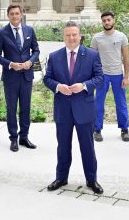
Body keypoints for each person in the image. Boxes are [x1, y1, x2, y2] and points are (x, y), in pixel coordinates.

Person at [43, 21, 104, 194]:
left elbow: (100, 78)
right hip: (63, 110)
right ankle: (61, 178)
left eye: (74, 35)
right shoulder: (55, 56)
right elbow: (47, 79)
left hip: (84, 110)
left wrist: (84, 85)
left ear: (79, 36)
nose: (71, 38)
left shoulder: (91, 55)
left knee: (87, 147)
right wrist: (58, 87)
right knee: (62, 147)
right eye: (68, 35)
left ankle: (92, 180)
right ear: (63, 37)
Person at [0, 4, 40, 152]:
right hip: (11, 77)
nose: (14, 16)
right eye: (12, 14)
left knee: (25, 108)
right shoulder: (2, 32)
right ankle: (13, 138)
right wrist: (10, 64)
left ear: (21, 15)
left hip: (26, 76)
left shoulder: (29, 30)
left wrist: (30, 61)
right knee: (11, 109)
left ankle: (24, 137)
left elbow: (36, 50)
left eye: (17, 13)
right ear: (8, 16)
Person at [90, 11, 129, 142]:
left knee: (121, 103)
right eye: (104, 20)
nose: (106, 22)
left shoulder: (121, 37)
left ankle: (124, 129)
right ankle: (97, 129)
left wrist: (126, 76)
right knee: (98, 103)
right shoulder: (97, 38)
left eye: (108, 20)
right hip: (102, 75)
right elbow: (92, 58)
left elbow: (126, 57)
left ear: (113, 21)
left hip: (118, 75)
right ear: (102, 22)